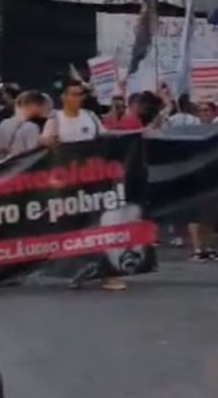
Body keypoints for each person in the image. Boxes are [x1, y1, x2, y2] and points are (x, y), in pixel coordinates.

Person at [42, 79, 128, 291]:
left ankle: (108, 274)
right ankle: (77, 269)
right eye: (72, 94)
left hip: (94, 184)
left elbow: (105, 138)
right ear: (63, 97)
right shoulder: (56, 119)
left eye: (80, 94)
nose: (77, 98)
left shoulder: (90, 117)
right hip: (68, 187)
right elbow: (43, 141)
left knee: (100, 225)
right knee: (72, 229)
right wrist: (49, 141)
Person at [0, 90, 44, 160]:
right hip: (21, 166)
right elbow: (32, 155)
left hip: (4, 165)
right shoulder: (31, 127)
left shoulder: (4, 123)